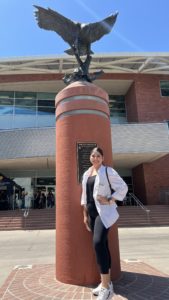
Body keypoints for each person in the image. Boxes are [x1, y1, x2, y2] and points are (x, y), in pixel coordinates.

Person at [81, 147, 128, 300]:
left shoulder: (108, 171)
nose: (95, 158)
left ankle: (106, 288)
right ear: (90, 157)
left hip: (104, 213)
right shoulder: (87, 174)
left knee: (98, 243)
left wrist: (110, 199)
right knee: (103, 245)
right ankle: (106, 284)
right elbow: (84, 196)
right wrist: (85, 215)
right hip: (92, 214)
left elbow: (123, 187)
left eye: (98, 156)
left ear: (102, 158)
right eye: (93, 155)